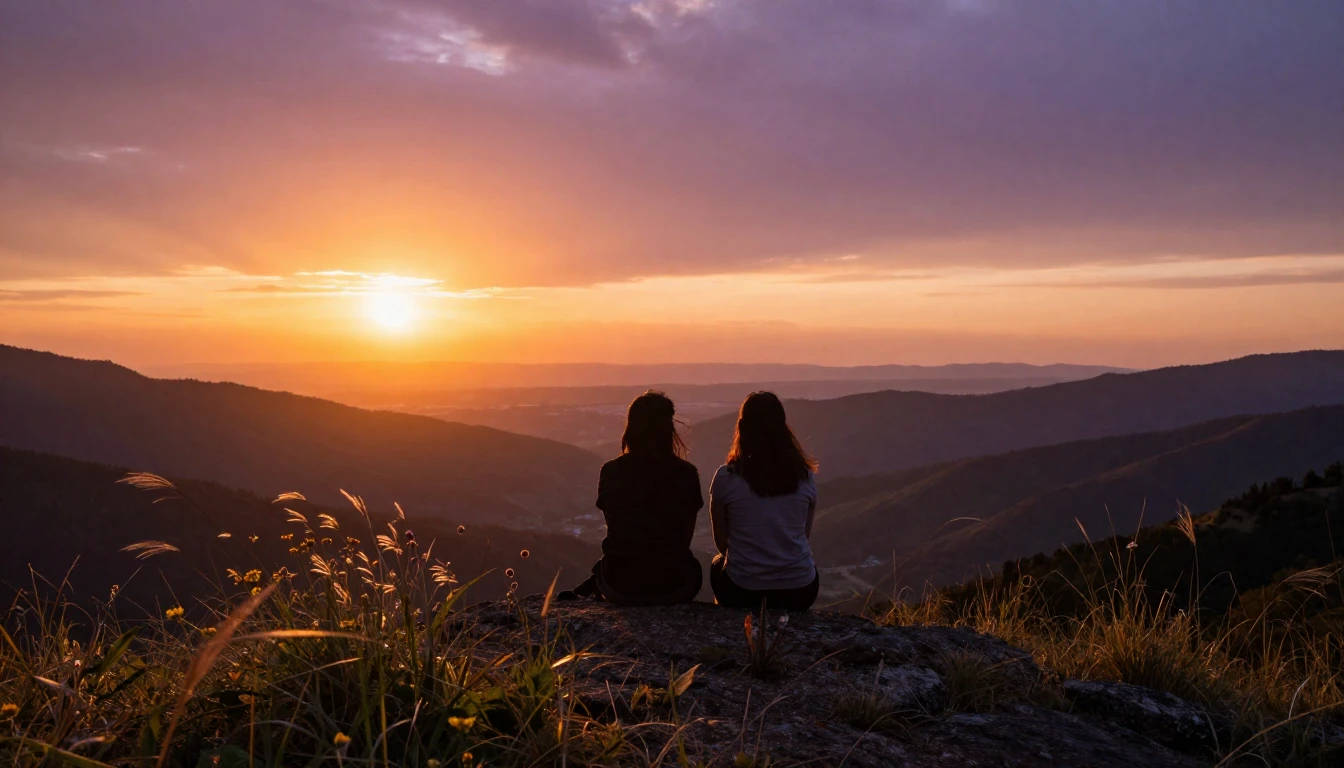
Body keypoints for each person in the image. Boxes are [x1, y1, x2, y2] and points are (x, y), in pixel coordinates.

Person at [569, 391, 704, 605]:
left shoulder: (610, 471)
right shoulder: (686, 474)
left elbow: (617, 530)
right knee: (696, 567)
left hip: (619, 585)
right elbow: (683, 540)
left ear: (630, 429)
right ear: (669, 429)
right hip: (674, 586)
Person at [709, 391, 820, 611]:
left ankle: (727, 625)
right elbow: (802, 537)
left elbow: (723, 544)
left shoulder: (726, 477)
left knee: (716, 564)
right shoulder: (805, 477)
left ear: (741, 428)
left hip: (743, 592)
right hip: (800, 591)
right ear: (783, 429)